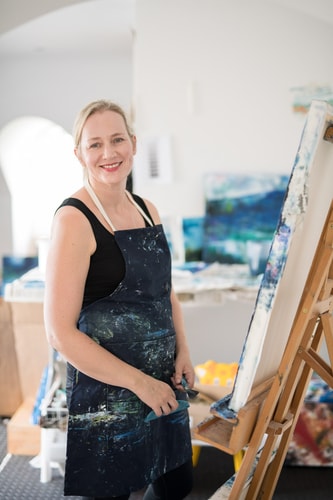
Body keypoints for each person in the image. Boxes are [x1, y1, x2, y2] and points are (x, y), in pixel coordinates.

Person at [43, 99, 195, 500]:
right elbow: (60, 333)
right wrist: (139, 384)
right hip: (109, 397)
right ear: (79, 153)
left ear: (133, 143)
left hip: (163, 386)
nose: (108, 153)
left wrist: (183, 349)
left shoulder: (147, 209)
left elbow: (165, 292)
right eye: (95, 144)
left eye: (117, 140)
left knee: (174, 487)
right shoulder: (74, 219)